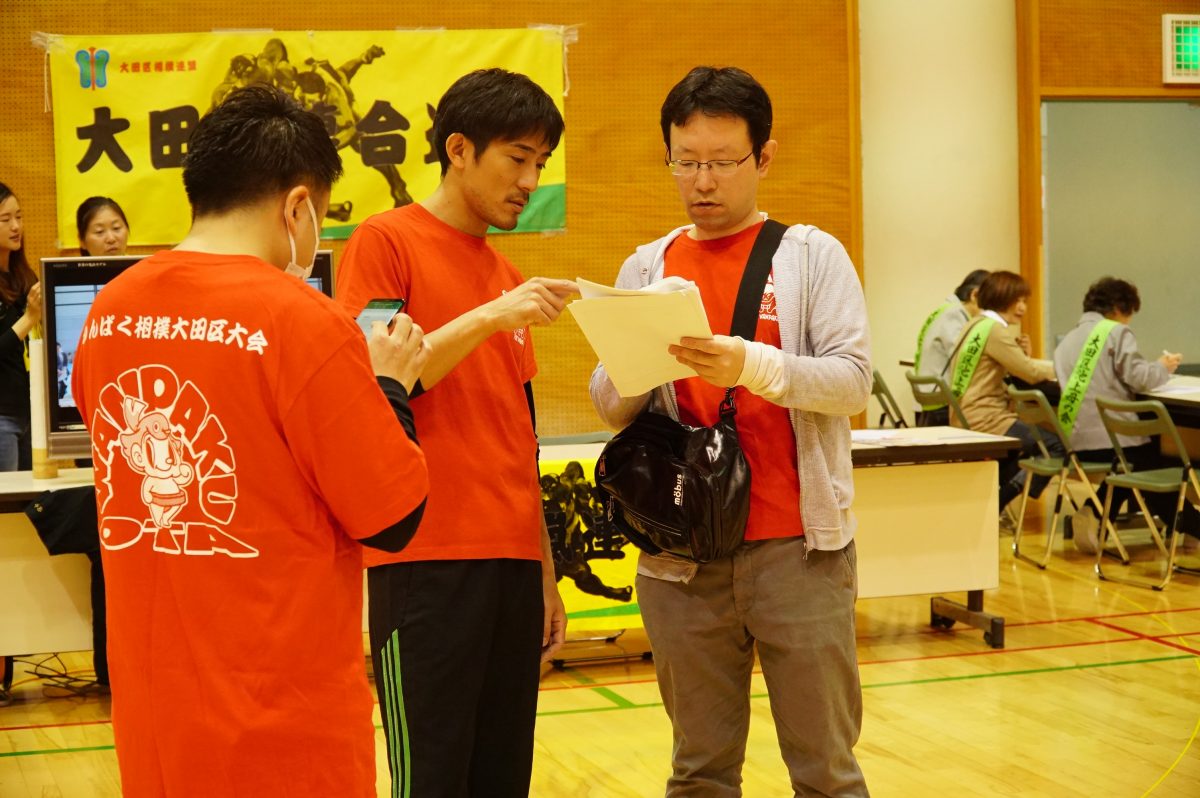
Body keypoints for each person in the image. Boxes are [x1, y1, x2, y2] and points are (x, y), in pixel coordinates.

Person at [70, 85, 431, 798]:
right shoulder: (303, 320)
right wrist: (389, 385)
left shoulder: (109, 311)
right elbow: (392, 517)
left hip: (156, 716)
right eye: (321, 215)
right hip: (281, 723)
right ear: (298, 207)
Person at [590, 66, 871, 797]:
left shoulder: (811, 256)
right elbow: (610, 406)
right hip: (681, 556)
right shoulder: (647, 265)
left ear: (764, 157)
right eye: (685, 162)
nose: (702, 182)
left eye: (721, 162)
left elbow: (852, 383)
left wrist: (751, 364)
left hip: (798, 553)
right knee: (699, 773)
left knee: (827, 773)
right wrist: (640, 352)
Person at [335, 68, 575, 797]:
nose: (530, 181)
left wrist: (545, 572)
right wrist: (490, 317)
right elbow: (377, 383)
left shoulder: (507, 273)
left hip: (512, 566)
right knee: (432, 781)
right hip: (425, 562)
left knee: (502, 780)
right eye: (518, 158)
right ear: (460, 149)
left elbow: (520, 439)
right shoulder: (384, 241)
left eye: (541, 163)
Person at [1052, 277, 1198, 553]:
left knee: (1134, 465)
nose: (1129, 320)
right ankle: (1193, 528)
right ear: (1119, 308)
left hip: (1075, 440)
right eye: (1130, 313)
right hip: (1112, 439)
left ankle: (1095, 511)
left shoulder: (1066, 342)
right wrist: (1162, 367)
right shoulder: (1115, 332)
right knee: (1156, 470)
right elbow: (1139, 378)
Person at [949, 270, 1063, 512]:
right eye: (1017, 300)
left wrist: (1024, 356)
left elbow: (1016, 367)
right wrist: (1066, 368)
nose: (1023, 307)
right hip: (986, 417)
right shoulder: (995, 331)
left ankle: (990, 505)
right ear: (1001, 297)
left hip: (964, 413)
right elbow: (1029, 372)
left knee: (1021, 450)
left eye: (1024, 301)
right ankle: (999, 503)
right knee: (1055, 446)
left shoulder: (975, 324)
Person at [0, 181, 42, 707]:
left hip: (29, 416)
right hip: (1, 419)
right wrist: (28, 319)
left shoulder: (23, 277)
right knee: (5, 532)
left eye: (18, 216)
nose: (16, 226)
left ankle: (16, 650)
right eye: (5, 218)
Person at [913, 268, 988, 425]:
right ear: (974, 295)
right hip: (942, 404)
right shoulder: (953, 315)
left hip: (932, 398)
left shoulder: (946, 310)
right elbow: (963, 356)